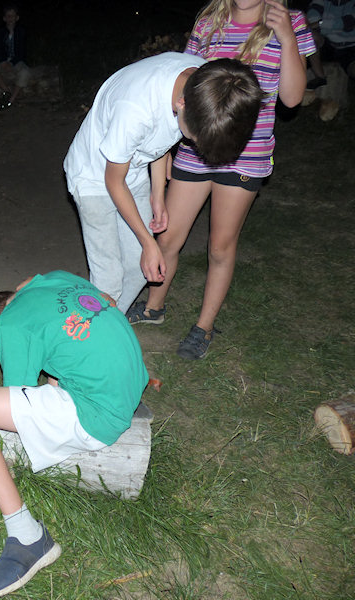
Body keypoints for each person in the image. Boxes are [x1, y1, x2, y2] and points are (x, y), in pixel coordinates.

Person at [126, 0, 314, 360]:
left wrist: (287, 38)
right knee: (167, 237)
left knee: (220, 247)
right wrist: (167, 145)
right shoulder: (210, 22)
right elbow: (185, 86)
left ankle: (204, 326)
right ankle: (154, 307)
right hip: (196, 148)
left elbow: (291, 99)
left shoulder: (289, 22)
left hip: (248, 153)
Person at [0, 270, 148, 598]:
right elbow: (104, 303)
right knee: (59, 358)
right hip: (129, 382)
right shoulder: (52, 280)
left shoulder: (10, 326)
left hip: (98, 414)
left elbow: (17, 395)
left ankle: (28, 537)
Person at [63, 52, 264, 318]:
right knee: (109, 277)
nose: (193, 143)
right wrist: (148, 242)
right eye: (193, 138)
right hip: (94, 176)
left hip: (133, 169)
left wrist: (158, 195)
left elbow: (161, 139)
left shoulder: (209, 84)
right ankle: (86, 332)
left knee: (140, 267)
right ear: (182, 104)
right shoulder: (135, 109)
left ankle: (109, 326)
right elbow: (113, 181)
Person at [0, 4, 31, 109]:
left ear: (17, 18)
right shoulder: (0, 31)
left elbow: (22, 51)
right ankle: (6, 90)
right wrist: (3, 61)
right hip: (2, 62)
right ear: (4, 18)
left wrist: (12, 63)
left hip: (16, 62)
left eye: (12, 16)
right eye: (8, 16)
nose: (10, 18)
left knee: (25, 72)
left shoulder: (21, 31)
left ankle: (11, 100)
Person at [305, 0, 355, 88]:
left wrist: (320, 24)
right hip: (329, 44)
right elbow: (312, 21)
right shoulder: (320, 1)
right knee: (310, 35)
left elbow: (349, 22)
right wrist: (334, 25)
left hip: (351, 46)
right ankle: (320, 77)